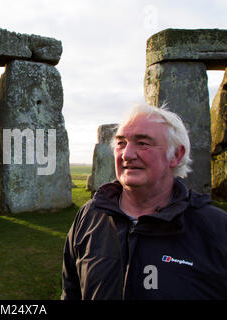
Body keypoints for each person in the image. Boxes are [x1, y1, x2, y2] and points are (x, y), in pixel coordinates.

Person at [61, 104, 227, 300]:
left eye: (142, 143)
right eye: (121, 143)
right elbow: (71, 291)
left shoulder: (216, 229)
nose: (127, 154)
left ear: (176, 155)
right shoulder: (90, 215)